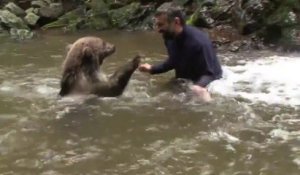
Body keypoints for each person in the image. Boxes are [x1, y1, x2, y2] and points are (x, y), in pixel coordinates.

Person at [138, 3, 222, 102]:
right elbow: (174, 60)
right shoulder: (169, 38)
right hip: (184, 81)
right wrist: (152, 69)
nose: (158, 29)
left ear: (176, 22)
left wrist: (199, 87)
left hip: (211, 83)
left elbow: (211, 73)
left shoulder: (199, 43)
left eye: (161, 25)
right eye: (157, 24)